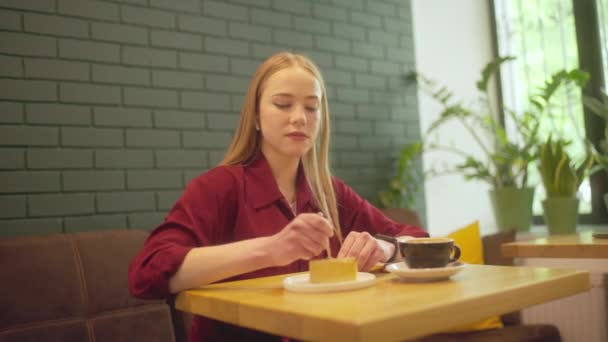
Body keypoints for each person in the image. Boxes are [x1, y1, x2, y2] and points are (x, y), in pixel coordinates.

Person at [128, 51, 428, 341]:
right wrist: (271, 249)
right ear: (256, 117)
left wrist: (384, 247)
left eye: (311, 107)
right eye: (283, 104)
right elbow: (147, 273)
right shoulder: (219, 187)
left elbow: (421, 241)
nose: (299, 118)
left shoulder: (330, 192)